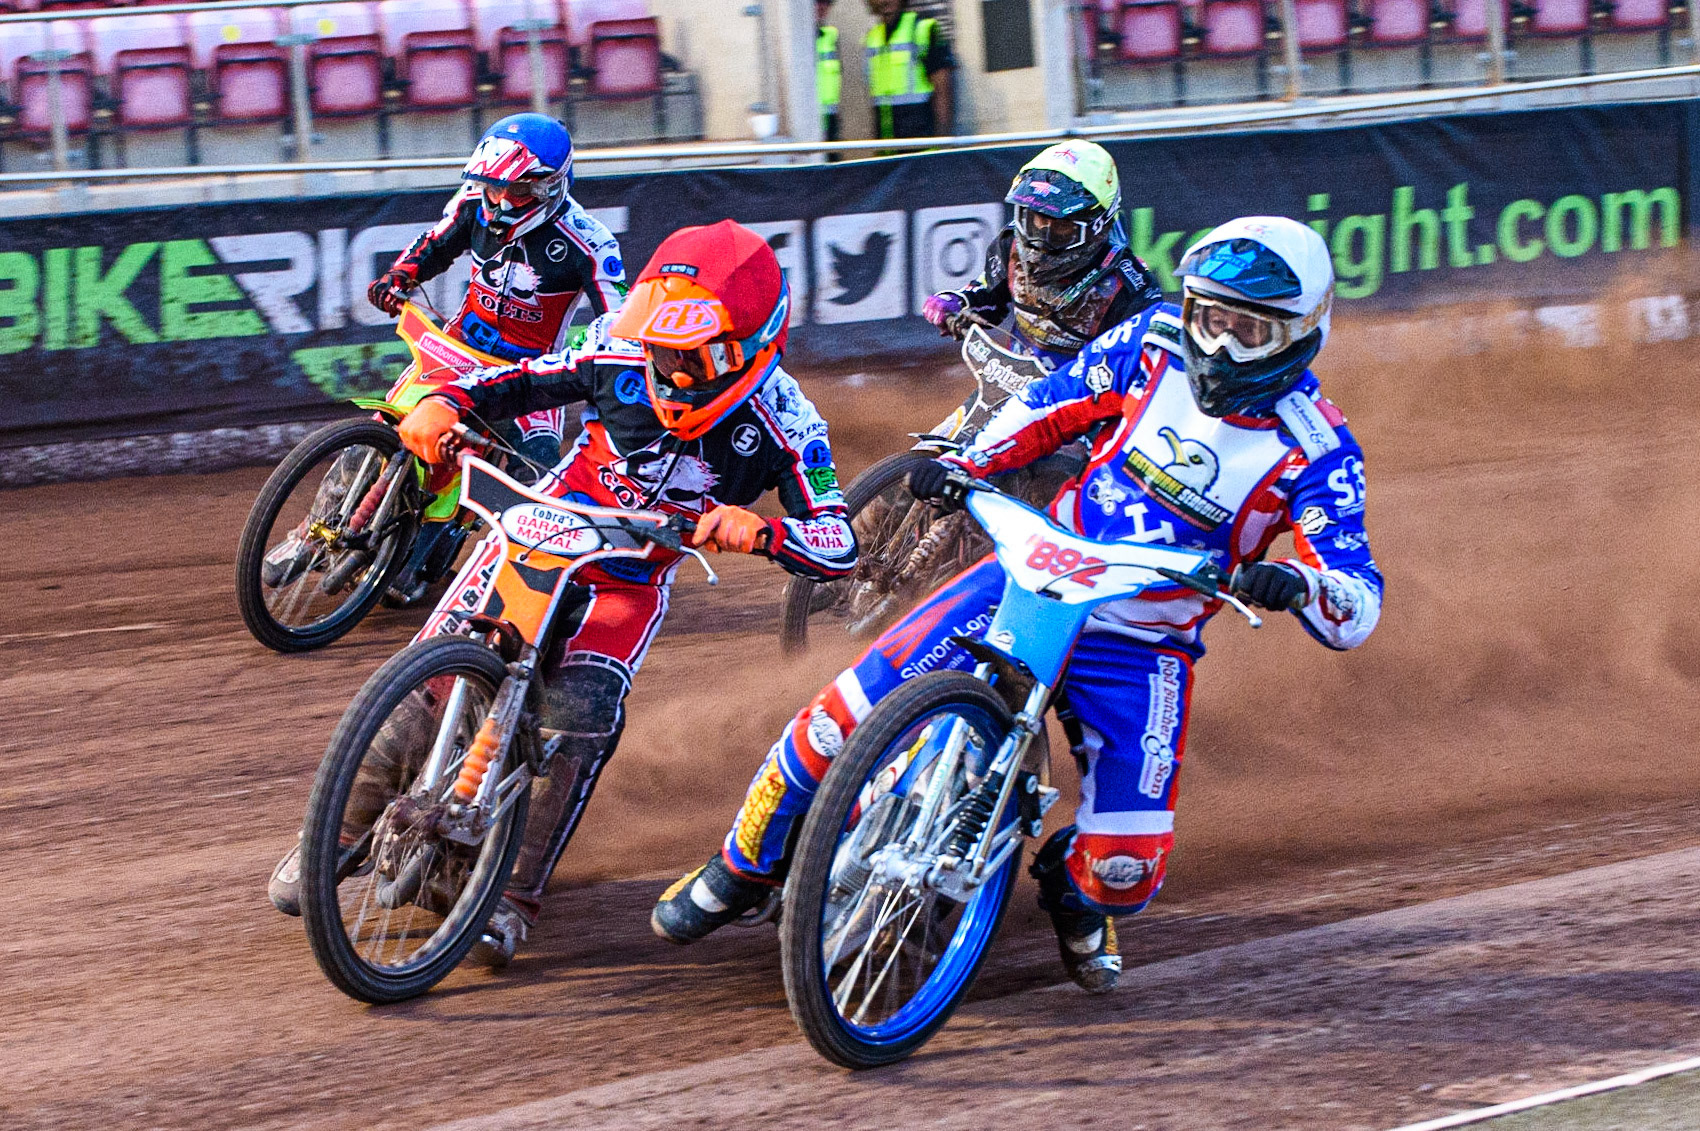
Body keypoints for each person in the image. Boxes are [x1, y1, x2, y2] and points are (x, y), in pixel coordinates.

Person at [652, 217, 1383, 995]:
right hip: (1036, 569)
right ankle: (736, 868)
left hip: (1144, 638)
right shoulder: (1154, 341)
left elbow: (1356, 597)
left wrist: (1304, 585)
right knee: (836, 716)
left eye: (1249, 330)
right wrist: (967, 463)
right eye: (1212, 318)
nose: (1222, 346)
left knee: (1126, 871)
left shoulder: (1320, 448)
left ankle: (1069, 891)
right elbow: (1051, 403)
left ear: (1304, 333)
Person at [270, 221, 859, 966]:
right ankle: (336, 833)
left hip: (628, 575)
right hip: (538, 527)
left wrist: (765, 533)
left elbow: (839, 542)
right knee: (428, 674)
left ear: (753, 347)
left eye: (692, 355)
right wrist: (443, 403)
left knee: (581, 715)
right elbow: (510, 379)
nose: (669, 369)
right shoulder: (618, 345)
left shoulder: (788, 420)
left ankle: (514, 894)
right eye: (660, 346)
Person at [367, 113, 625, 600]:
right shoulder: (473, 203)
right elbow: (435, 243)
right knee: (387, 423)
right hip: (457, 345)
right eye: (492, 188)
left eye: (517, 192)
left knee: (537, 473)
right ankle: (324, 515)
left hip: (530, 373)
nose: (501, 202)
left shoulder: (590, 242)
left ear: (551, 186)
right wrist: (399, 276)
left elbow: (618, 317)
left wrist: (602, 357)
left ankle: (455, 544)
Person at [922, 139, 1163, 373]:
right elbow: (991, 299)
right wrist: (956, 302)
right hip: (1011, 382)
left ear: (1097, 224)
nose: (1042, 239)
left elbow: (1137, 371)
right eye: (1036, 220)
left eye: (1061, 227)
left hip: (1080, 401)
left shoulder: (1130, 289)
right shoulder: (1012, 243)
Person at [865, 0, 954, 140]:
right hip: (886, 144)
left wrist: (942, 142)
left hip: (919, 141)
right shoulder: (872, 38)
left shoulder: (923, 29)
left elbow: (942, 89)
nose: (883, 1)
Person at [817, 1, 841, 142]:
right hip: (810, 118)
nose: (822, 7)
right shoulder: (799, 40)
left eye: (826, 3)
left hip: (831, 115)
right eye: (817, 3)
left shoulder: (831, 36)